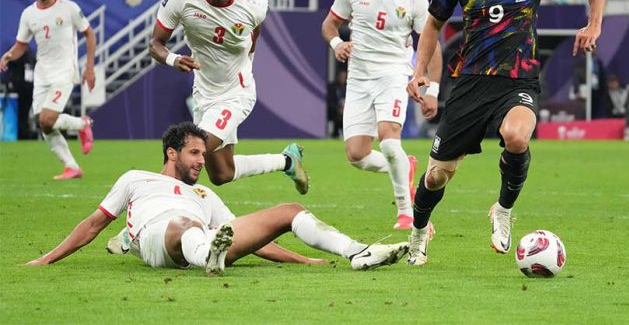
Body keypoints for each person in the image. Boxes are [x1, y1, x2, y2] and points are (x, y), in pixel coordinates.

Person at [405, 0, 605, 265]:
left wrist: (594, 24)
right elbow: (433, 24)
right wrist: (420, 71)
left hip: (518, 80)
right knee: (436, 178)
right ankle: (418, 234)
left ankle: (503, 209)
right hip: (470, 85)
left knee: (516, 137)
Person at [27, 122, 409, 274]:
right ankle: (207, 254)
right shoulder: (136, 179)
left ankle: (357, 252)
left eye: (203, 153)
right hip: (159, 238)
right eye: (194, 153)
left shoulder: (204, 193)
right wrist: (46, 258)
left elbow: (248, 238)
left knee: (289, 210)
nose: (202, 160)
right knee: (185, 224)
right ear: (172, 153)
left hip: (205, 238)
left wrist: (303, 259)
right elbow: (94, 224)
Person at [149, 0, 308, 193]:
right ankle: (288, 161)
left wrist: (246, 63)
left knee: (190, 152)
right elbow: (155, 44)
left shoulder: (252, 6)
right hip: (204, 93)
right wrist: (174, 59)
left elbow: (254, 35)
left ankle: (147, 204)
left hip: (236, 94)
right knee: (222, 173)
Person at [320, 0, 442, 230]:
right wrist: (337, 44)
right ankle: (405, 165)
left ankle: (407, 213)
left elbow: (431, 44)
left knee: (389, 140)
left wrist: (433, 89)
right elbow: (330, 24)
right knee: (357, 155)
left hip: (395, 73)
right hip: (359, 78)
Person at [0, 0, 96, 180]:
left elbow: (90, 35)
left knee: (48, 118)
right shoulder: (28, 14)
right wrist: (8, 55)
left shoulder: (69, 8)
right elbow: (21, 45)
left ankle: (83, 124)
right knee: (43, 122)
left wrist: (89, 67)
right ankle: (72, 167)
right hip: (42, 73)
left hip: (64, 71)